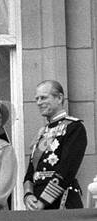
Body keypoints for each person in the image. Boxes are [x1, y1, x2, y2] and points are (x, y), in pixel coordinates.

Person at [23, 80, 87, 210]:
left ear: (59, 98)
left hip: (63, 200)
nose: (39, 102)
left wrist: (43, 201)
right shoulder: (43, 132)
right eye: (37, 99)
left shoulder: (74, 127)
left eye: (43, 97)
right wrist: (28, 195)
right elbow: (31, 171)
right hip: (36, 203)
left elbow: (67, 169)